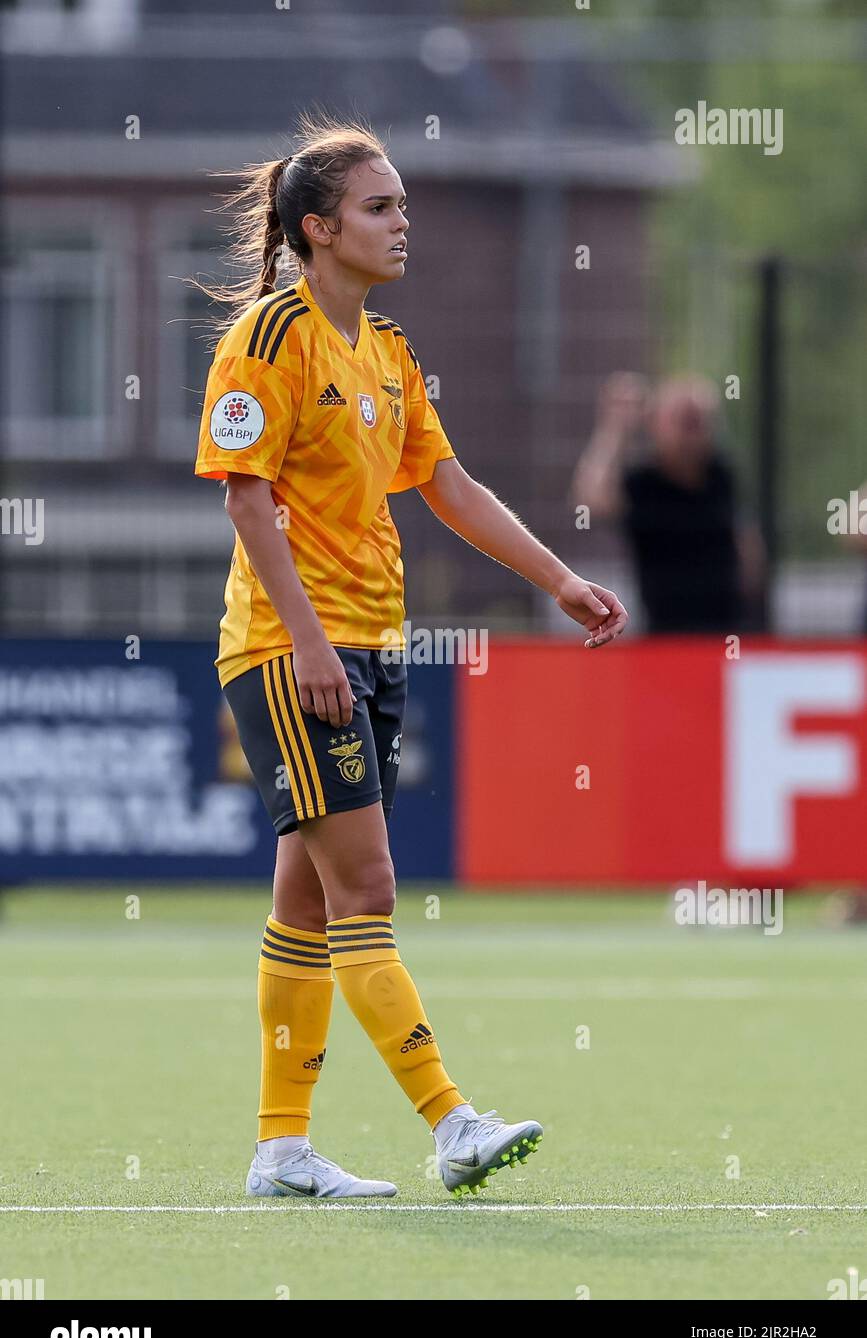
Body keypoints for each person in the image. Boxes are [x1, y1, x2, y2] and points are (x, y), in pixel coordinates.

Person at [194, 113, 628, 1201]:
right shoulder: (270, 338)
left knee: (305, 900)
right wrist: (305, 643)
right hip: (297, 650)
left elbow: (450, 486)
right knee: (370, 885)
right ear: (318, 228)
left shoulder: (387, 351)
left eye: (402, 204)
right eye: (380, 206)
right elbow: (248, 504)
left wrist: (558, 580)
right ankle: (451, 1122)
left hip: (369, 643)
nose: (403, 223)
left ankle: (282, 1149)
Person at [570, 372, 763, 633]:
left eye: (698, 422)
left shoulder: (721, 478)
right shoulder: (644, 483)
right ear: (655, 424)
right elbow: (591, 499)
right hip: (664, 634)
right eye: (683, 422)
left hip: (725, 629)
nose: (691, 436)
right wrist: (615, 428)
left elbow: (749, 553)